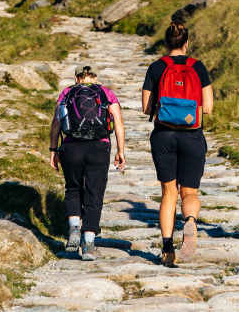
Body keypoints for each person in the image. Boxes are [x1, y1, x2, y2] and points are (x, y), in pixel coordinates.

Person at [141, 20, 213, 266]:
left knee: (168, 193)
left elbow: (146, 108)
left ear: (165, 42)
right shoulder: (198, 67)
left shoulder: (156, 67)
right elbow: (209, 107)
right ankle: (190, 221)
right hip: (192, 134)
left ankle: (167, 249)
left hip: (163, 136)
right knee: (189, 192)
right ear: (187, 42)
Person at [49, 64, 126, 260]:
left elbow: (57, 122)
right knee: (95, 192)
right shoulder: (106, 93)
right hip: (99, 147)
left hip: (71, 147)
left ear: (77, 78)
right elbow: (118, 121)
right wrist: (120, 151)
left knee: (73, 188)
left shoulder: (67, 92)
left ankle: (74, 227)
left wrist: (53, 150)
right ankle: (89, 243)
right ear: (95, 77)